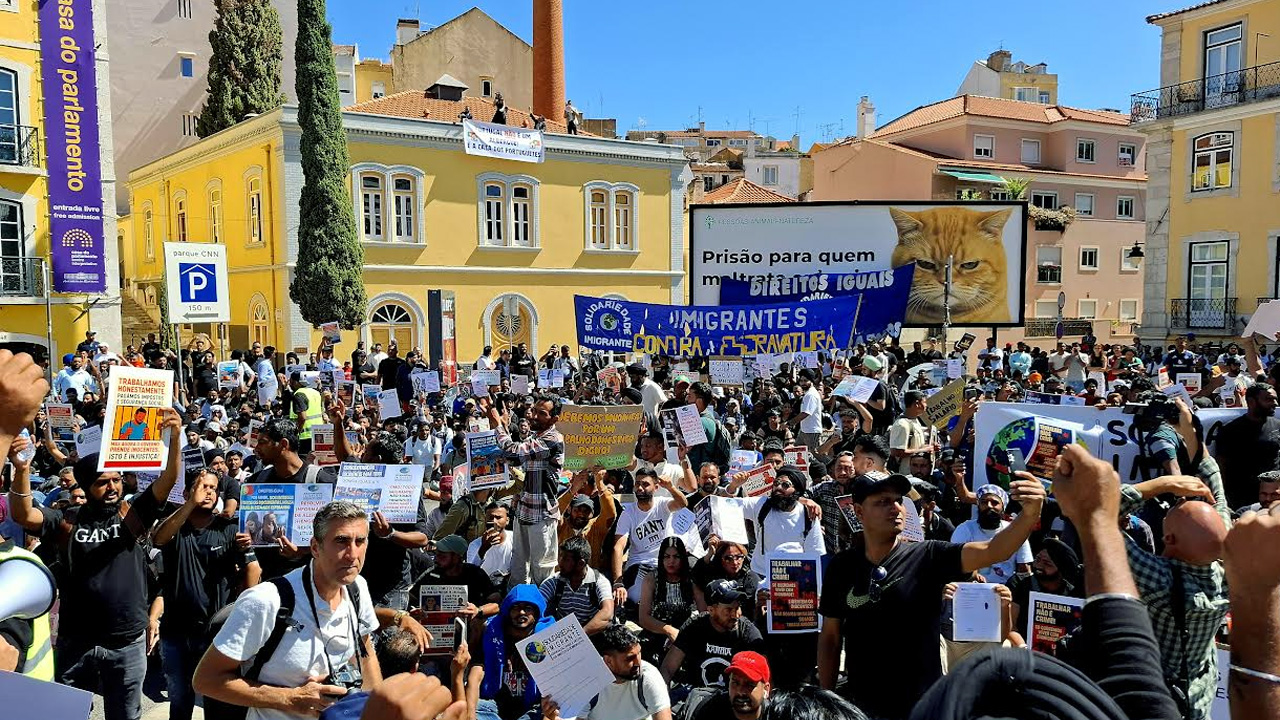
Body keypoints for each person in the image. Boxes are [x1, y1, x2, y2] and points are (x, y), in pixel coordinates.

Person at [816, 469, 1046, 720]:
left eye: (898, 500)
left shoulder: (930, 556)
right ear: (858, 512)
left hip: (923, 706)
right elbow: (830, 637)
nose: (895, 508)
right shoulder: (842, 567)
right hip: (861, 707)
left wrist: (1030, 514)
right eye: (882, 502)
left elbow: (994, 550)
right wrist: (828, 701)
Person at [195, 501, 383, 720]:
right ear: (315, 547)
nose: (353, 554)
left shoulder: (356, 587)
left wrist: (376, 710)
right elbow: (206, 680)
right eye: (341, 541)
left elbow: (365, 651)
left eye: (360, 541)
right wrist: (289, 699)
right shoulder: (266, 601)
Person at [1112, 475, 1229, 719]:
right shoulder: (1229, 577)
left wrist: (1163, 483)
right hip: (1192, 702)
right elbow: (1219, 502)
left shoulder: (1159, 579)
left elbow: (1098, 513)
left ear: (1169, 539)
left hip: (1146, 700)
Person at [153, 468, 261, 720]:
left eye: (214, 488)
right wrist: (190, 504)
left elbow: (253, 570)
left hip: (216, 634)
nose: (209, 492)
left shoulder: (230, 528)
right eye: (203, 486)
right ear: (186, 492)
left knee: (216, 703)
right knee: (179, 700)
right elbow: (158, 539)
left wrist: (242, 609)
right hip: (175, 632)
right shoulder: (174, 524)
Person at [487, 394, 565, 586]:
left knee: (542, 569)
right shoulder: (536, 437)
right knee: (519, 565)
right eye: (535, 411)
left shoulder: (552, 440)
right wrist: (501, 426)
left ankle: (543, 610)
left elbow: (514, 454)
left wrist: (497, 424)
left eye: (542, 413)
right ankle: (518, 604)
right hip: (524, 511)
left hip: (541, 515)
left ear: (554, 419)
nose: (534, 416)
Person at [543, 625, 670, 720]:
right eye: (630, 658)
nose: (638, 663)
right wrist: (553, 717)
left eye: (639, 653)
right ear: (608, 661)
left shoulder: (648, 676)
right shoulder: (588, 678)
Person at [468, 584, 557, 720]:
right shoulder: (492, 633)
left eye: (528, 608)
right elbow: (475, 676)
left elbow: (560, 686)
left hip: (535, 708)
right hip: (495, 705)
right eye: (516, 607)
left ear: (537, 612)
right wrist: (469, 713)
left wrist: (548, 716)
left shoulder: (550, 637)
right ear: (508, 611)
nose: (521, 612)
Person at [660, 580, 766, 692]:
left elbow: (764, 677)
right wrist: (662, 698)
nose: (736, 615)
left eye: (738, 608)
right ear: (711, 610)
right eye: (728, 610)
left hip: (734, 702)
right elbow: (668, 668)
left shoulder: (748, 633)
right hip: (697, 698)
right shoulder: (694, 627)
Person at [612, 468, 688, 605]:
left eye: (645, 484)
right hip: (639, 565)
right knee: (637, 600)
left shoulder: (662, 504)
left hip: (664, 564)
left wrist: (670, 487)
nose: (640, 488)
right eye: (637, 484)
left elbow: (683, 503)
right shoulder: (628, 512)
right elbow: (618, 547)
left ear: (656, 487)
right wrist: (618, 582)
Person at [1214, 383, 1280, 509]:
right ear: (1251, 401)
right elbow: (1221, 467)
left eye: (1275, 399)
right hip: (1242, 501)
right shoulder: (1230, 431)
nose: (1275, 403)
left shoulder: (1278, 426)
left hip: (1274, 499)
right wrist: (1222, 499)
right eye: (1269, 399)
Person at [948, 484, 1032, 583]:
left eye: (994, 503)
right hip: (972, 587)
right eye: (984, 502)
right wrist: (972, 576)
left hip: (1005, 589)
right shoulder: (965, 529)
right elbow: (953, 564)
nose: (989, 506)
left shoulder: (1015, 532)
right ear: (978, 506)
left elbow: (1024, 570)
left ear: (1003, 508)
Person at [637, 536, 701, 663]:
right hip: (657, 633)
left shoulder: (691, 579)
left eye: (676, 557)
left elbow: (704, 612)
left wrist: (682, 636)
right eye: (667, 557)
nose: (671, 561)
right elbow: (644, 618)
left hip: (687, 634)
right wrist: (668, 630)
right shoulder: (651, 579)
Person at [1006, 538, 1082, 639]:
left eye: (1047, 563)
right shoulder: (1019, 584)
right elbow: (1011, 627)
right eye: (1037, 559)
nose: (1039, 566)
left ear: (1061, 571)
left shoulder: (1071, 595)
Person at [538, 536, 614, 633]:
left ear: (580, 564)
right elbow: (537, 603)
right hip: (562, 633)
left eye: (565, 559)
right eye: (560, 557)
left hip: (591, 633)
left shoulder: (599, 582)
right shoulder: (554, 581)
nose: (559, 563)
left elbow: (607, 612)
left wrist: (580, 635)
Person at [689, 651, 772, 720]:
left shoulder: (775, 713)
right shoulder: (710, 709)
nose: (740, 691)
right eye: (735, 683)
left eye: (749, 685)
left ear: (765, 690)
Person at [887, 391, 936, 472]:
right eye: (924, 402)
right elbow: (897, 452)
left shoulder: (915, 421)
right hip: (906, 473)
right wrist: (924, 450)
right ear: (917, 403)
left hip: (919, 472)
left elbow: (915, 446)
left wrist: (930, 447)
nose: (926, 405)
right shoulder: (902, 424)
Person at [791, 370, 824, 457]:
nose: (803, 383)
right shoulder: (808, 393)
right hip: (804, 431)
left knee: (816, 457)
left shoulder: (811, 395)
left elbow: (805, 413)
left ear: (811, 381)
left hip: (812, 432)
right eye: (801, 381)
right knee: (795, 454)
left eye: (805, 381)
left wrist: (789, 423)